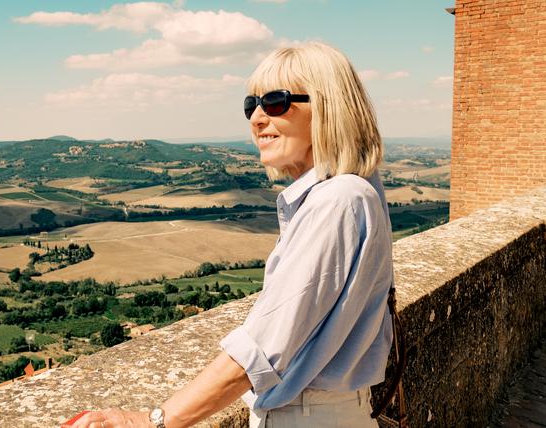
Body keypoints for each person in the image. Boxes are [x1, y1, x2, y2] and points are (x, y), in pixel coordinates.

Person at [70, 41, 394, 428]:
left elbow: (262, 349)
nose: (257, 118)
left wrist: (153, 420)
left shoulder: (338, 199)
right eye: (251, 105)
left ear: (328, 108)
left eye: (277, 102)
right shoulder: (351, 192)